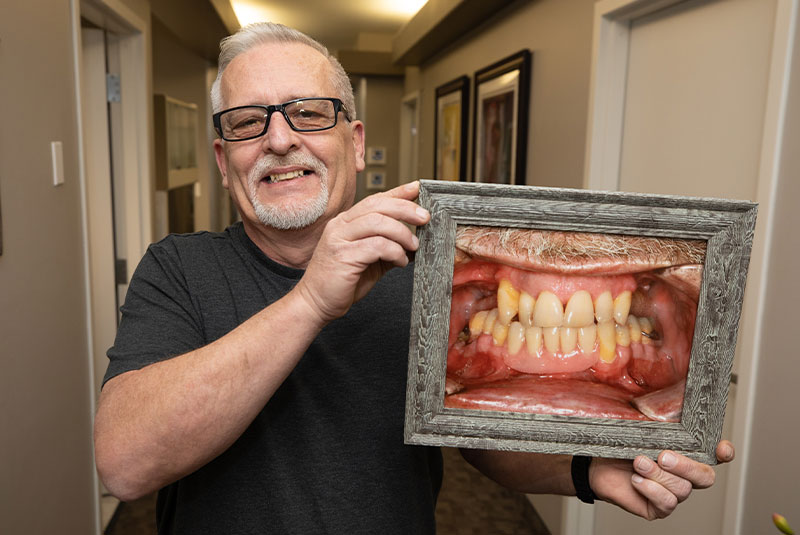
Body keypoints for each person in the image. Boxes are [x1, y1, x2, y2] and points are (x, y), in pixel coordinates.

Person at [94, 22, 734, 534]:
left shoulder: (434, 270)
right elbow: (125, 464)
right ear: (223, 160)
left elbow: (479, 435)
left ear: (354, 137)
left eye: (309, 113)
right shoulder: (176, 269)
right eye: (246, 122)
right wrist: (313, 300)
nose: (279, 140)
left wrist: (587, 470)